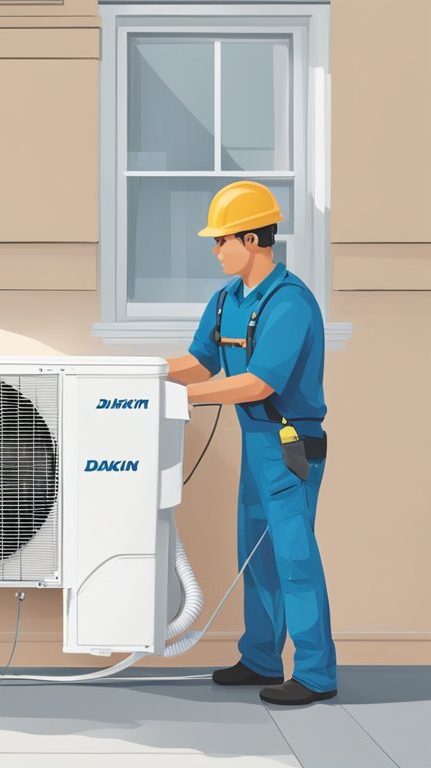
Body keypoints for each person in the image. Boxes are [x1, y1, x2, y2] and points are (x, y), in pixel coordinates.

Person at [167, 181, 336, 706]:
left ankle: (315, 673)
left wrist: (188, 395)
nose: (216, 251)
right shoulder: (225, 302)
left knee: (293, 557)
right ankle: (262, 658)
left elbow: (259, 383)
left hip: (291, 446)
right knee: (255, 555)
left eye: (222, 241)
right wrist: (142, 373)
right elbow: (202, 360)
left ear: (253, 240)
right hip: (255, 443)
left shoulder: (291, 303)